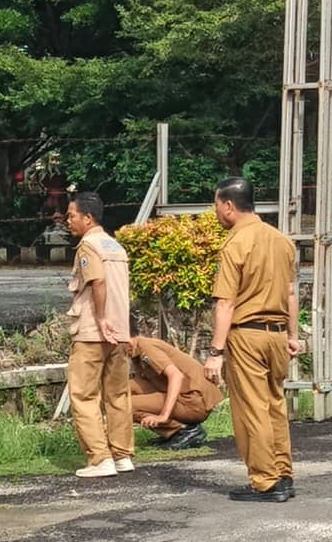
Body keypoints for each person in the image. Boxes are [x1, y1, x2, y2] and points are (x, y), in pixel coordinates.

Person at [203, 177, 299, 502]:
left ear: (229, 206)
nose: (216, 211)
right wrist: (293, 335)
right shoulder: (282, 241)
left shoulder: (236, 243)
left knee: (252, 409)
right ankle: (283, 474)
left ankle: (265, 480)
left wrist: (215, 351)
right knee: (275, 406)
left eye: (217, 205)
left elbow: (225, 303)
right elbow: (290, 293)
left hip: (247, 335)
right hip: (277, 335)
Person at [65, 191, 134, 478]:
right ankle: (122, 455)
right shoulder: (116, 247)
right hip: (120, 332)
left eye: (72, 215)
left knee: (83, 394)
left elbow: (98, 282)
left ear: (87, 217)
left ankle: (99, 458)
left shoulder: (89, 246)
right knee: (118, 394)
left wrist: (102, 318)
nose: (68, 221)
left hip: (94, 331)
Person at [127, 332, 222, 450]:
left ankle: (183, 430)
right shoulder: (135, 351)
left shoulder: (146, 347)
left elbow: (176, 376)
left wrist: (163, 416)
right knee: (124, 389)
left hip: (194, 402)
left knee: (126, 405)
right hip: (186, 397)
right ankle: (175, 432)